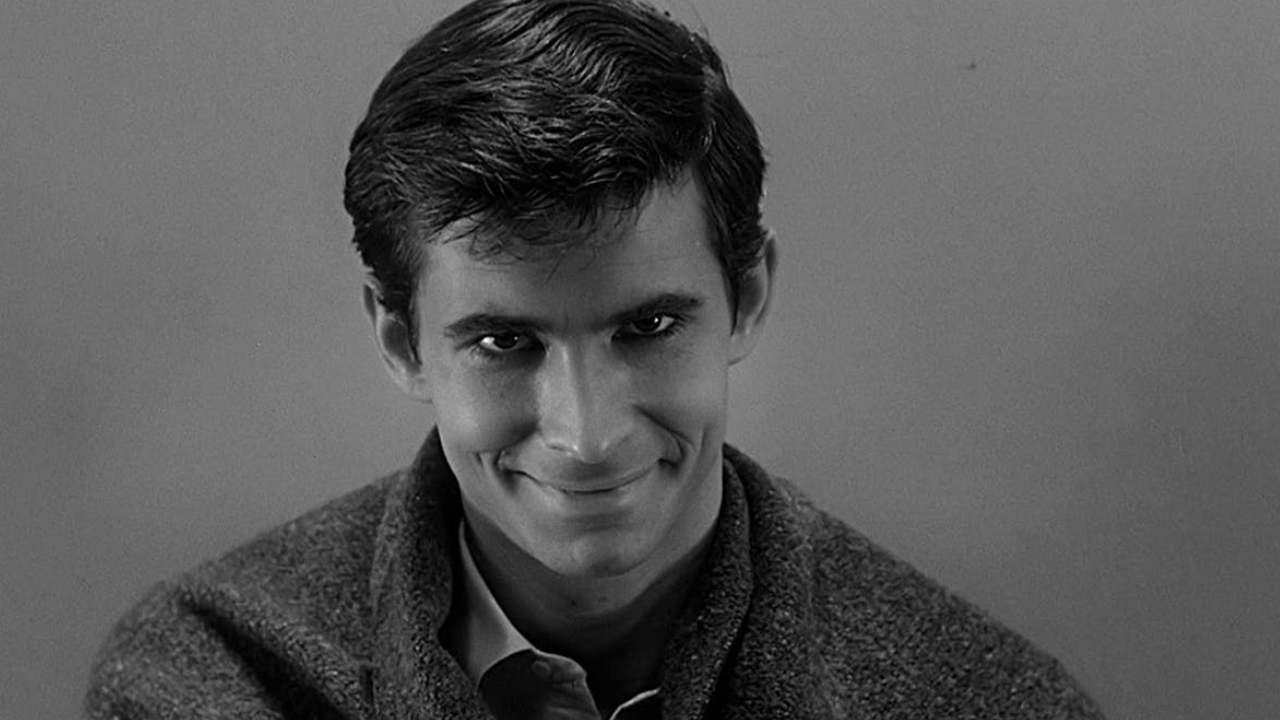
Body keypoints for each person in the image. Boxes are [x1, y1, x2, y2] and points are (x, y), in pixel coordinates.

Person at [86, 1, 1105, 718]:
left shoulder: (984, 701)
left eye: (647, 328)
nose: (586, 436)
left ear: (747, 296)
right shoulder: (213, 676)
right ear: (401, 341)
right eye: (504, 342)